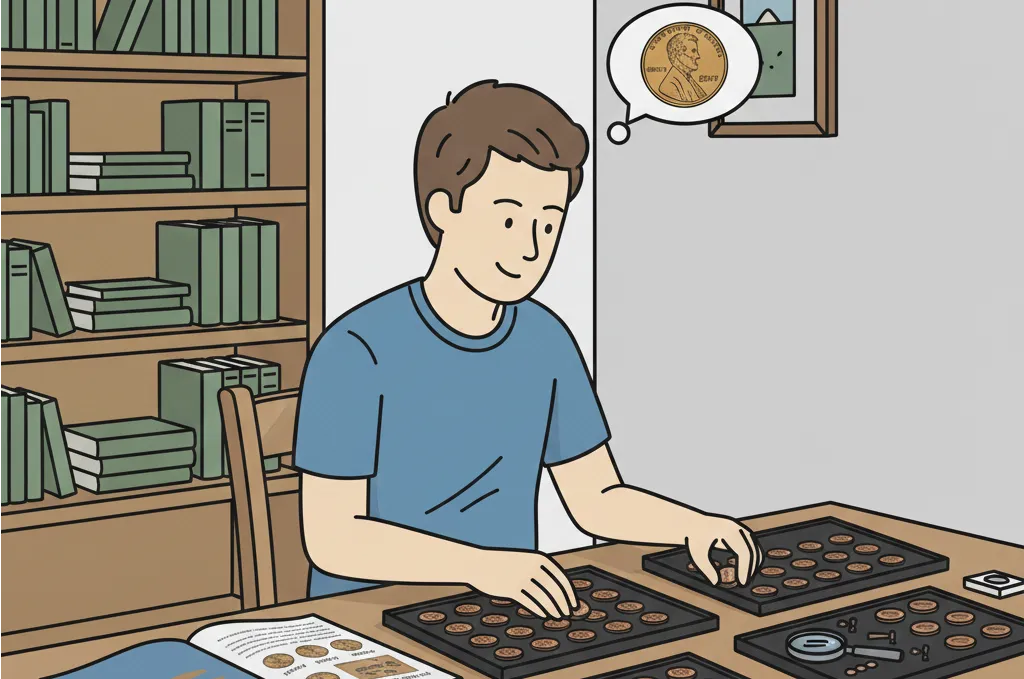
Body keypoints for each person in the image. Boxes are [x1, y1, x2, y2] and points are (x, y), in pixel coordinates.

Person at [295, 80, 762, 616]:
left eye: (550, 220)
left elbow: (595, 499)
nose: (532, 247)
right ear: (445, 209)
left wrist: (691, 526)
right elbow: (334, 539)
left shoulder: (545, 340)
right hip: (371, 621)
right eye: (510, 218)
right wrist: (482, 565)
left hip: (507, 611)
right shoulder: (355, 350)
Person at [659, 32, 709, 104]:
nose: (698, 56)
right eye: (693, 51)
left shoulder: (689, 79)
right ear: (679, 54)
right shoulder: (670, 84)